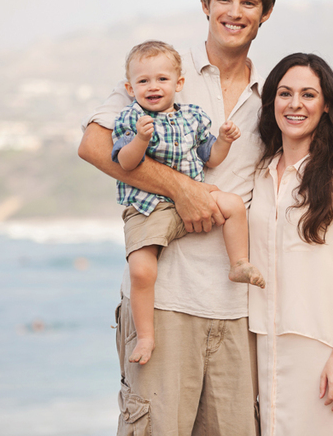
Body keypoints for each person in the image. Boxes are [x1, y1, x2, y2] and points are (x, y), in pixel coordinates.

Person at [78, 0, 275, 436]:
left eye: (248, 3)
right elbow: (94, 146)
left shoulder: (269, 95)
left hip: (235, 311)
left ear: (264, 14)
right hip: (164, 302)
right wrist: (182, 190)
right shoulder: (163, 70)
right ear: (206, 5)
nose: (235, 11)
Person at [249, 53, 333, 435]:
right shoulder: (258, 174)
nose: (295, 104)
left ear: (326, 105)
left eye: (308, 94)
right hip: (272, 351)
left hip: (330, 347)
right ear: (272, 102)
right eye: (285, 93)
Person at [112, 40, 265, 366]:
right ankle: (146, 336)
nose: (153, 87)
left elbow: (209, 157)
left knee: (234, 204)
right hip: (148, 204)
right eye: (143, 81)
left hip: (196, 194)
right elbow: (125, 162)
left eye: (162, 79)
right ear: (130, 87)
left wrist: (223, 140)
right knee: (141, 270)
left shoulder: (193, 117)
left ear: (179, 84)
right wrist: (140, 139)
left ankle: (238, 263)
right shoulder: (131, 118)